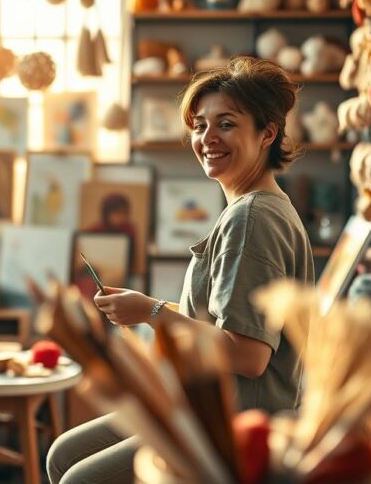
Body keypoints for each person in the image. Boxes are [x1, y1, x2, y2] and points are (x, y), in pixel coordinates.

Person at [47, 57, 315, 484]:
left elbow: (248, 356)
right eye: (200, 125)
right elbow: (219, 321)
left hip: (230, 424)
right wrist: (149, 309)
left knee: (79, 478)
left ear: (267, 133)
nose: (208, 138)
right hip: (201, 403)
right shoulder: (253, 209)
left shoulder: (253, 218)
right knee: (63, 453)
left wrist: (152, 312)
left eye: (226, 124)